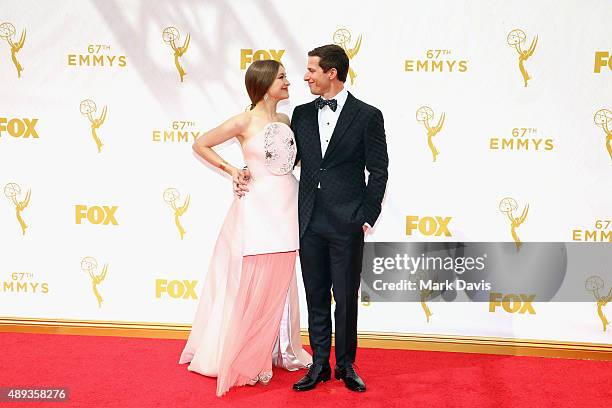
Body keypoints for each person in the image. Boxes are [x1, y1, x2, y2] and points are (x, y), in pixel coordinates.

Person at [178, 59, 312, 397]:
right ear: (265, 83)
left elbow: (285, 162)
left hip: (287, 204)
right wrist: (232, 170)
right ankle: (243, 352)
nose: (288, 82)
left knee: (280, 278)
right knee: (251, 278)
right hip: (257, 209)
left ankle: (278, 347)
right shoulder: (243, 120)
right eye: (282, 77)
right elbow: (201, 143)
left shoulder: (285, 119)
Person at [291, 44, 389, 392]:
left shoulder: (367, 115)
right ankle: (318, 365)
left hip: (347, 222)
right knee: (315, 295)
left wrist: (366, 215)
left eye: (312, 70)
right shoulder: (300, 114)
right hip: (309, 222)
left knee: (345, 299)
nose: (306, 76)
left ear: (332, 73)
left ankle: (346, 365)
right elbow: (286, 161)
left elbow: (378, 170)